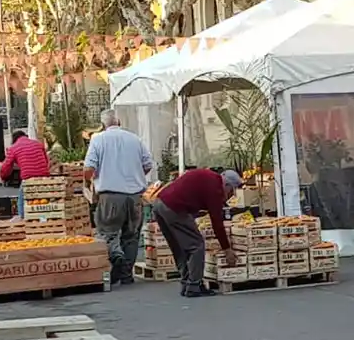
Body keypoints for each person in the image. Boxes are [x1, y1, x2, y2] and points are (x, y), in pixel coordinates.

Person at [84, 109, 154, 285]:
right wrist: (135, 175)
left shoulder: (98, 139)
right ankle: (126, 274)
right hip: (135, 196)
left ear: (103, 125)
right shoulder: (134, 139)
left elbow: (88, 168)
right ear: (119, 122)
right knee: (131, 236)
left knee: (107, 232)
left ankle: (115, 256)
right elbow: (148, 164)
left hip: (110, 195)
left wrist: (88, 182)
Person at [152, 169, 243, 298]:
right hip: (174, 207)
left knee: (179, 247)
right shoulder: (215, 188)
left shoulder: (209, 177)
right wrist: (227, 249)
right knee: (197, 245)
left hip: (159, 204)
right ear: (227, 185)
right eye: (231, 191)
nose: (230, 195)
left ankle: (186, 283)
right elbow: (216, 222)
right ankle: (194, 286)